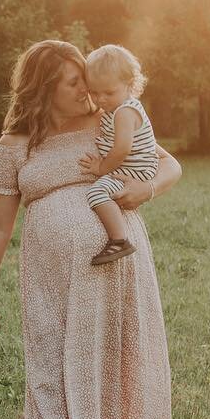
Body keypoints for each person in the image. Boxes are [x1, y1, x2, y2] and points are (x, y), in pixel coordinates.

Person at [0, 40, 182, 419]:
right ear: (44, 89)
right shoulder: (16, 145)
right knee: (52, 372)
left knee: (117, 367)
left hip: (119, 266)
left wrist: (143, 190)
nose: (87, 89)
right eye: (73, 82)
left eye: (86, 77)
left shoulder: (110, 121)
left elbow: (169, 164)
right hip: (53, 277)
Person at [83, 44, 160, 266]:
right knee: (100, 189)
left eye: (108, 92)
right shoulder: (113, 109)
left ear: (129, 84)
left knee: (96, 192)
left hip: (136, 169)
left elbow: (122, 150)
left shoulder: (125, 111)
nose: (101, 99)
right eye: (94, 93)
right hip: (130, 166)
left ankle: (119, 239)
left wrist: (101, 168)